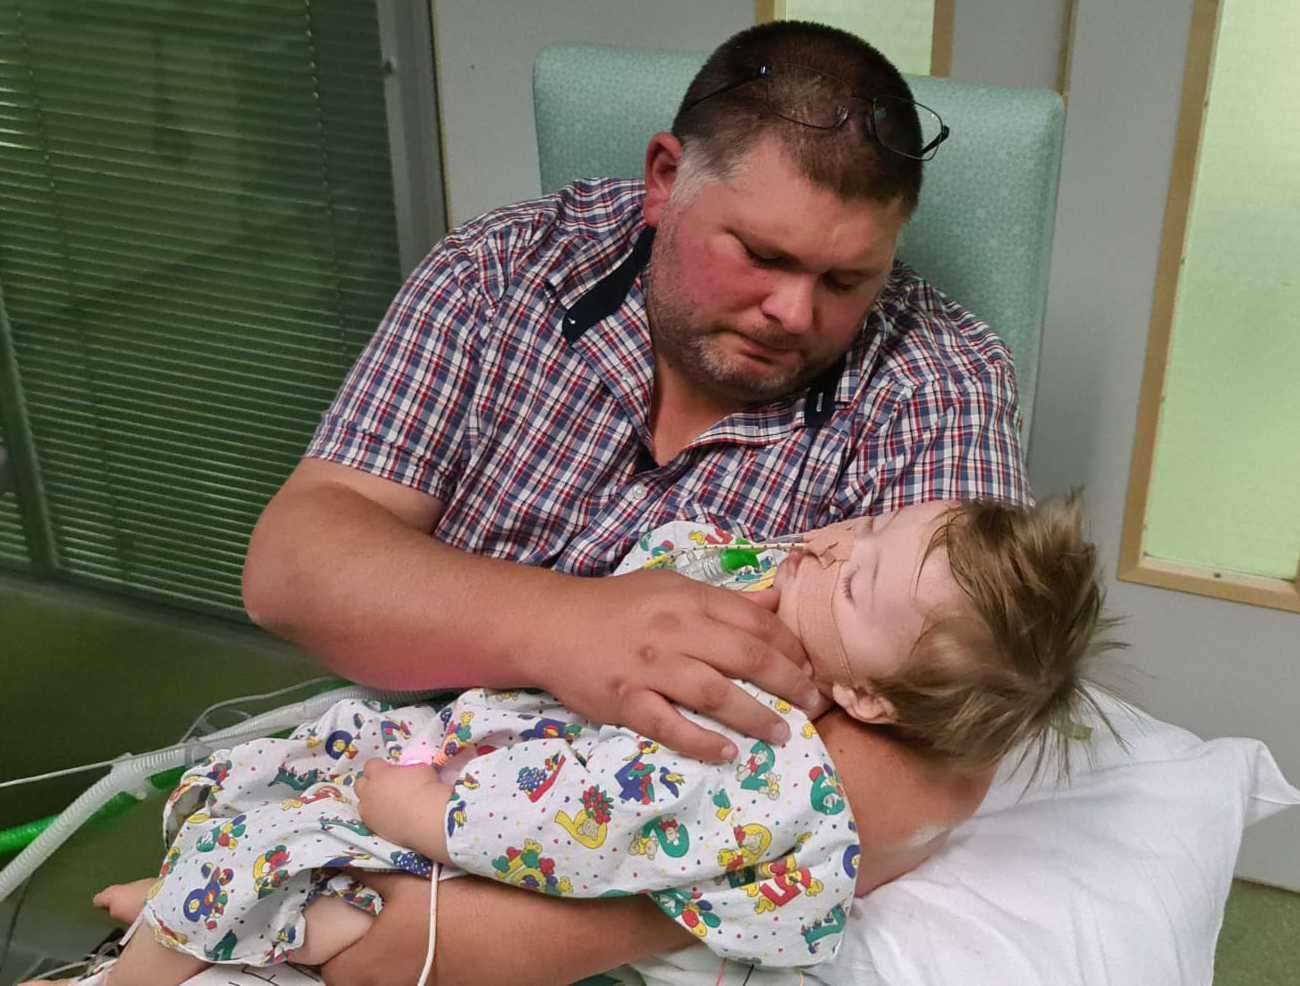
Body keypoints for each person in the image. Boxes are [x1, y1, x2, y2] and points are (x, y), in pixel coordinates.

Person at [235, 18, 1032, 984]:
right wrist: (564, 628)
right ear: (665, 180)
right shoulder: (501, 274)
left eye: (845, 280)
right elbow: (294, 569)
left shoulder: (936, 377)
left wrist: (511, 941)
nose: (795, 314)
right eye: (763, 256)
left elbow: (943, 754)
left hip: (662, 859)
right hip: (401, 779)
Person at [33, 495, 1114, 985]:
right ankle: (181, 913)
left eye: (859, 569)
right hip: (470, 728)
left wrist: (410, 807)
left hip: (462, 815)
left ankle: (166, 952)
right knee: (259, 766)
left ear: (872, 699)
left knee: (270, 841)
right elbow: (668, 562)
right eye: (870, 522)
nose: (831, 538)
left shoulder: (760, 753)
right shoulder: (779, 591)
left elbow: (570, 833)